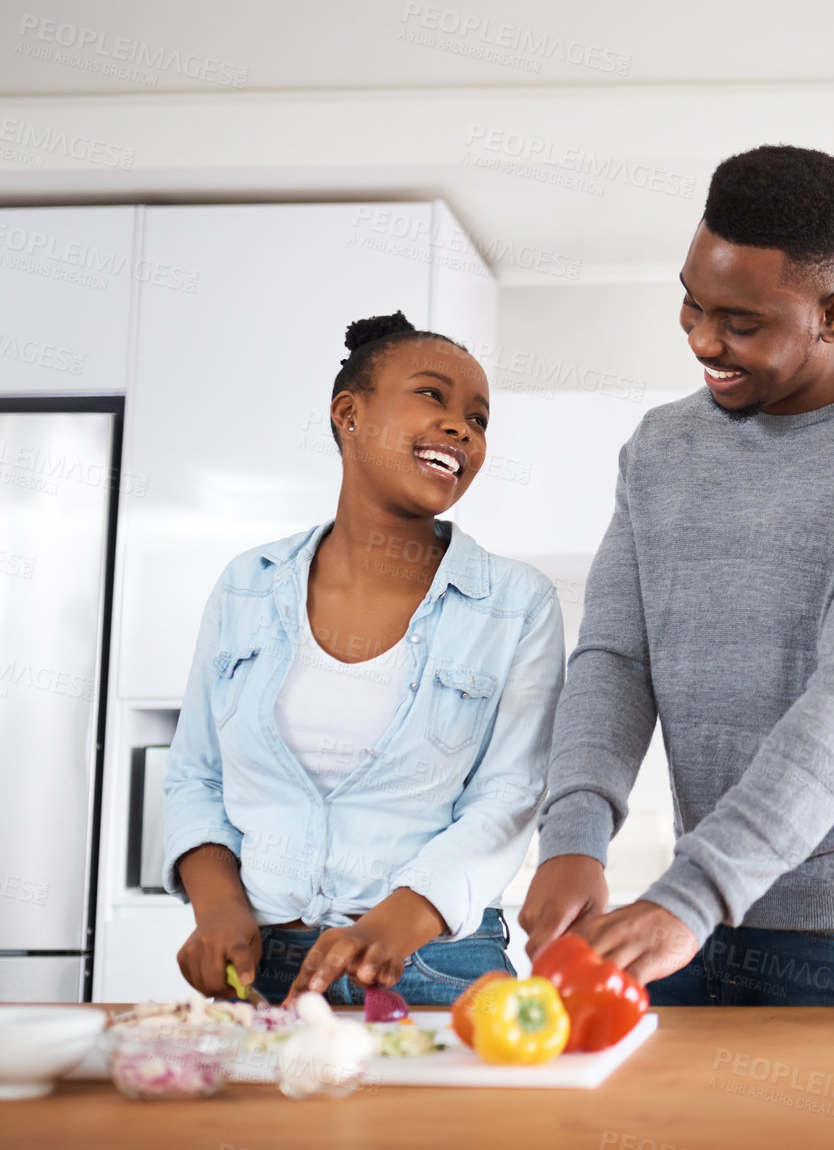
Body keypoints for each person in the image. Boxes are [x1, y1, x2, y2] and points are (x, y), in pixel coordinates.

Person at [518, 146, 834, 1006]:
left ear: (832, 313)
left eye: (740, 322)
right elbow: (615, 658)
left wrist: (692, 892)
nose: (703, 339)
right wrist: (575, 833)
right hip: (703, 904)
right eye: (692, 304)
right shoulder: (661, 448)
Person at [162, 312, 564, 1006]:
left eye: (478, 417)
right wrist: (218, 906)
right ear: (349, 414)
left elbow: (508, 798)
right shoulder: (248, 582)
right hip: (260, 967)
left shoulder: (517, 603)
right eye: (433, 396)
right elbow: (194, 776)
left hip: (435, 968)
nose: (462, 428)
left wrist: (391, 924)